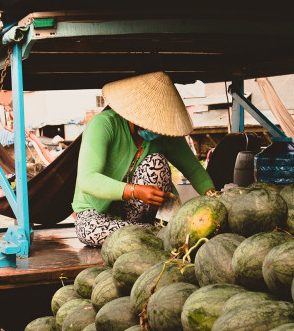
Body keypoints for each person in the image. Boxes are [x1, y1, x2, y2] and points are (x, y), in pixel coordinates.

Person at [72, 71, 216, 247]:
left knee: (156, 162)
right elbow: (88, 180)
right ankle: (157, 233)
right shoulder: (104, 125)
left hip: (136, 214)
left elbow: (194, 170)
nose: (156, 128)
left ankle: (147, 233)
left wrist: (215, 199)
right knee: (90, 231)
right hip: (96, 212)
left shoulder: (166, 133)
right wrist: (136, 191)